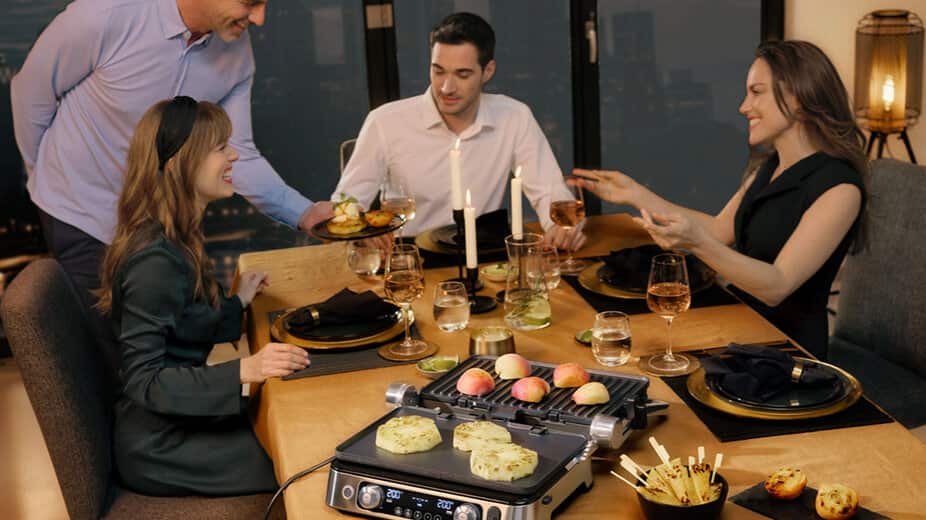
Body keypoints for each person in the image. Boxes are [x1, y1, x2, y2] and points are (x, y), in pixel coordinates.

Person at [10, 0, 332, 300]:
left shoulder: (237, 54)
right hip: (80, 214)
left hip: (156, 227)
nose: (260, 19)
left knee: (171, 331)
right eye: (249, 2)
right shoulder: (105, 13)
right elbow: (31, 95)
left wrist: (304, 213)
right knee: (115, 338)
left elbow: (238, 154)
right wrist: (44, 177)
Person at [573, 40, 866, 359]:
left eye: (756, 92)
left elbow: (777, 286)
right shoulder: (770, 167)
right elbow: (719, 230)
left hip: (784, 352)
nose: (743, 107)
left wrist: (696, 243)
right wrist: (636, 194)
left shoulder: (840, 189)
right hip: (740, 321)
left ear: (798, 97)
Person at [95, 97, 309, 496]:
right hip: (163, 446)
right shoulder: (154, 262)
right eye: (220, 148)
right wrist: (246, 369)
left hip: (184, 419)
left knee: (302, 424)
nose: (233, 156)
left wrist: (238, 302)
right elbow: (145, 381)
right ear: (182, 162)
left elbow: (185, 324)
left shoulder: (176, 236)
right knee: (306, 455)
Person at [332, 12, 586, 251]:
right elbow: (346, 201)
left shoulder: (514, 116)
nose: (446, 88)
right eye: (438, 71)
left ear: (488, 71)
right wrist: (364, 230)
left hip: (484, 256)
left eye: (462, 74)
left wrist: (562, 227)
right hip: (409, 258)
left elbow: (549, 191)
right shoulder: (385, 122)